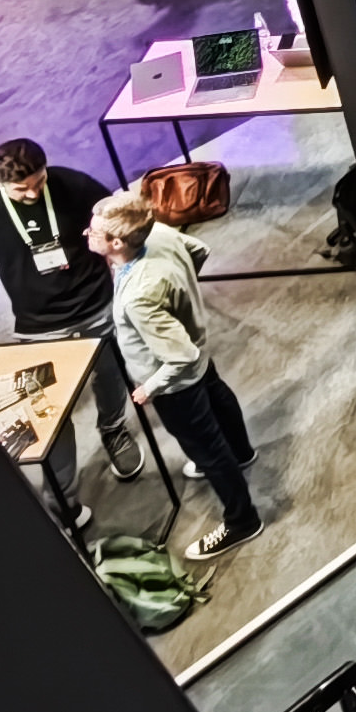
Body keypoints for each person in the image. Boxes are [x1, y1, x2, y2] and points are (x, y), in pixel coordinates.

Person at [0, 140, 142, 504]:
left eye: (39, 182)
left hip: (98, 306)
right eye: (21, 189)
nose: (32, 193)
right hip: (38, 326)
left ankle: (113, 429)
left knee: (111, 376)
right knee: (50, 411)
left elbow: (123, 227)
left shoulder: (75, 186)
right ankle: (64, 499)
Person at [87, 190, 260, 557]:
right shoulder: (157, 232)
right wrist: (178, 297)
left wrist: (149, 388)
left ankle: (242, 521)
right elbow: (199, 250)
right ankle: (242, 453)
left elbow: (181, 359)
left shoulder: (139, 296)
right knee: (217, 394)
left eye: (94, 230)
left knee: (207, 450)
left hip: (174, 379)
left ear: (116, 242)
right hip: (195, 341)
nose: (87, 233)